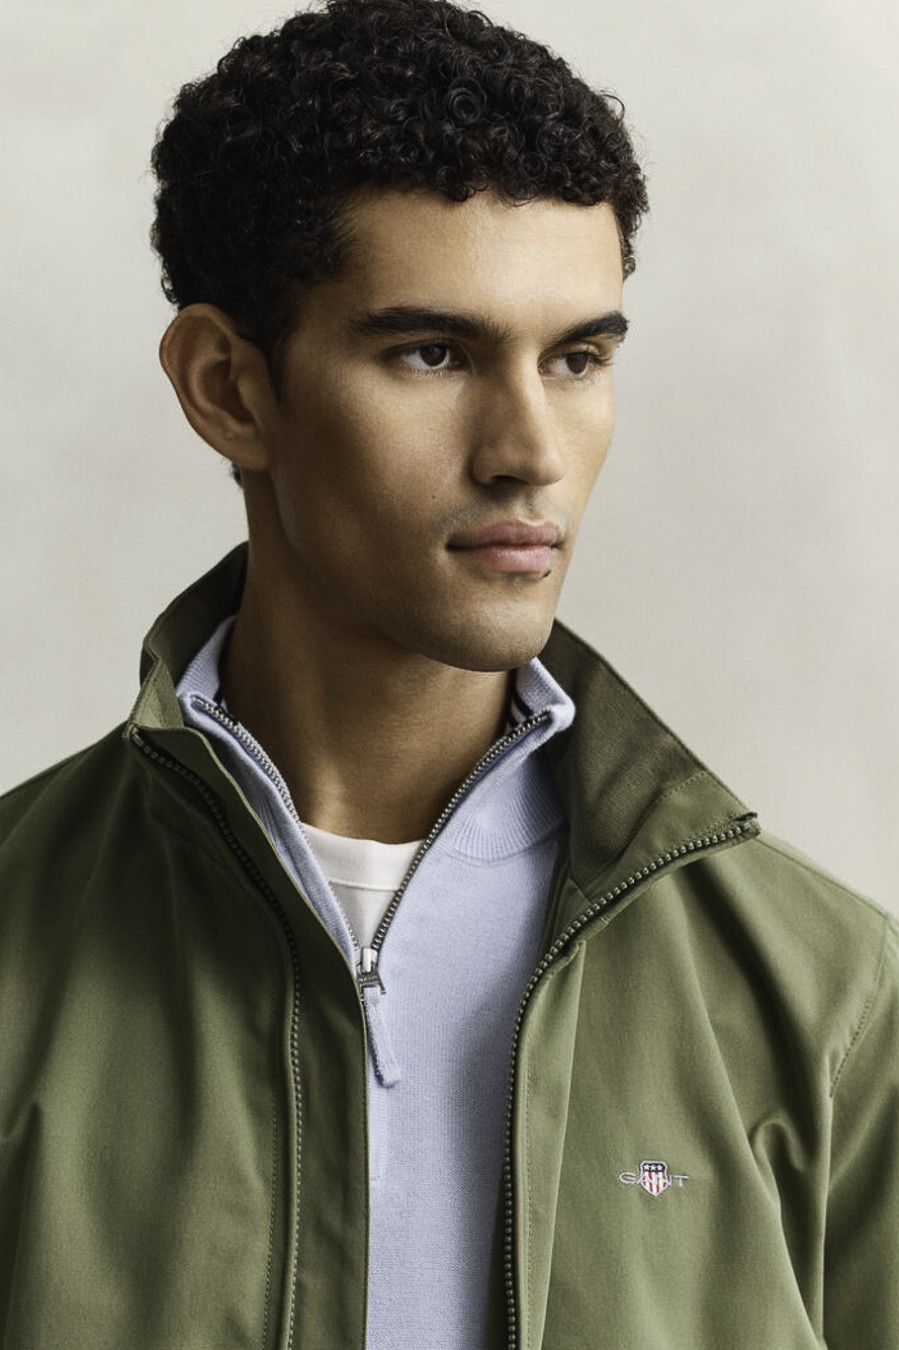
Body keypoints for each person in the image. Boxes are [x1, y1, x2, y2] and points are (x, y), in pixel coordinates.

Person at [0, 0, 896, 1345]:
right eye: (433, 353)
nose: (530, 450)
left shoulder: (828, 999)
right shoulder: (19, 952)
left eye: (577, 358)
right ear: (229, 388)